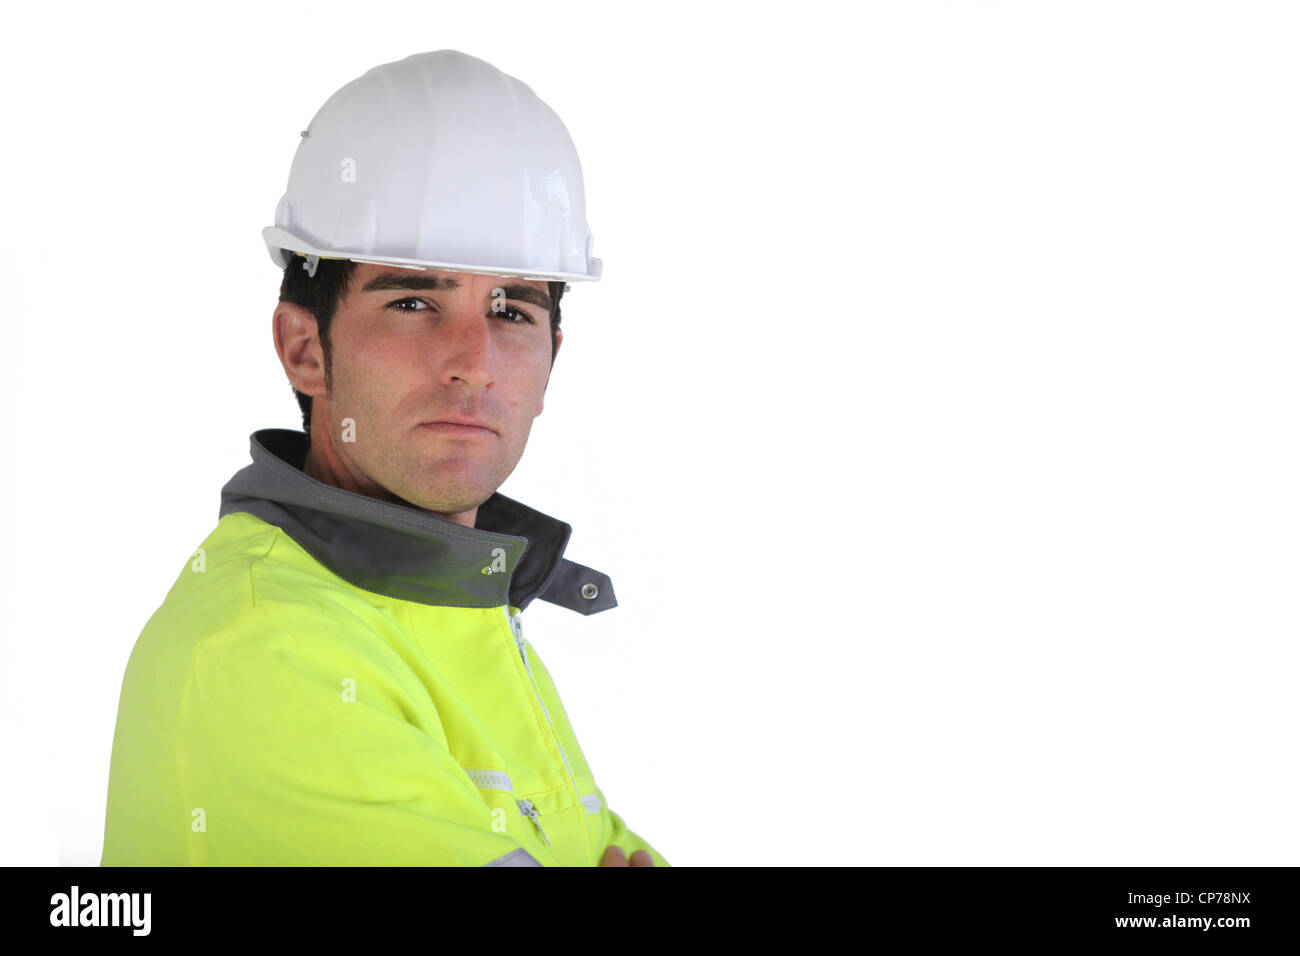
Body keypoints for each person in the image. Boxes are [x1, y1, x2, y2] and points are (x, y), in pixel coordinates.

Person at [100, 49, 668, 867]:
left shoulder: (465, 612)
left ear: (552, 359)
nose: (473, 359)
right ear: (305, 349)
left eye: (512, 309)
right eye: (413, 301)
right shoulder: (269, 650)